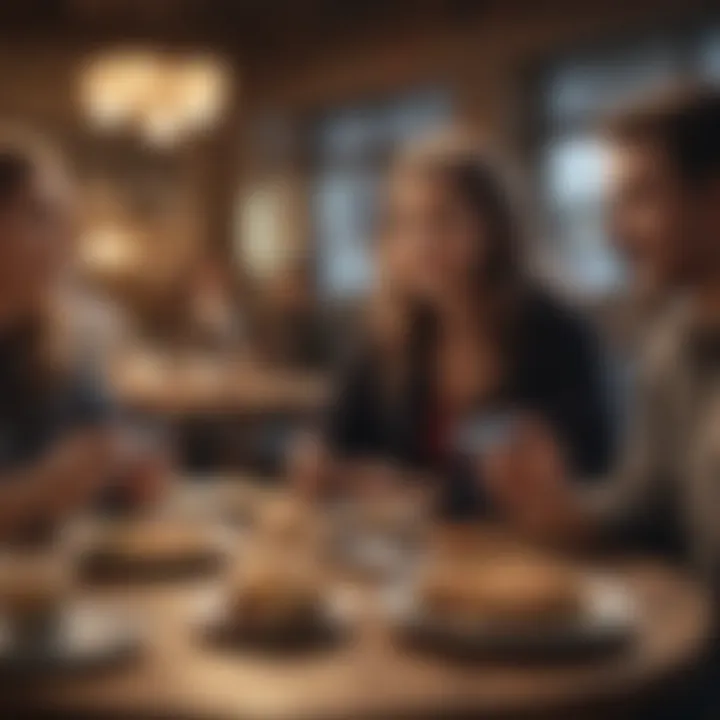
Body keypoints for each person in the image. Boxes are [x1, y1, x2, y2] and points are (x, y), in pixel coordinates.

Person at [292, 134, 614, 516]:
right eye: (405, 223)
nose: (422, 242)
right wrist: (318, 461)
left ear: (494, 228)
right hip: (411, 559)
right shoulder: (388, 333)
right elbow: (335, 437)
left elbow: (584, 472)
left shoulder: (555, 332)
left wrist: (423, 494)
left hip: (532, 558)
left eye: (443, 219)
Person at [483, 86, 720, 581]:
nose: (616, 234)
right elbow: (644, 503)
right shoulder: (672, 344)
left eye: (641, 198)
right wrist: (559, 509)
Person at [0, 132, 164, 538]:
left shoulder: (53, 343)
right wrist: (41, 490)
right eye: (38, 216)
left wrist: (119, 481)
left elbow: (101, 443)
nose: (63, 242)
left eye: (64, 220)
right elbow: (51, 481)